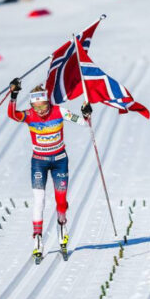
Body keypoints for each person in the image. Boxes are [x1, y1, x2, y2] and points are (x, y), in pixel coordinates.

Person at [7, 78, 92, 261]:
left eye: (44, 106)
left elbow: (82, 122)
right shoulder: (29, 115)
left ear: (48, 102)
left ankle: (61, 225)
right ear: (32, 106)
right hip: (39, 162)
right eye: (37, 108)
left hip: (60, 160)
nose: (41, 111)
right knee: (39, 201)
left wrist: (86, 114)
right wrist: (14, 95)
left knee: (61, 201)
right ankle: (37, 238)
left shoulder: (58, 111)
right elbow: (13, 115)